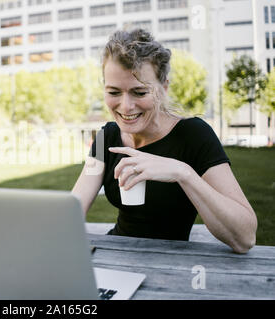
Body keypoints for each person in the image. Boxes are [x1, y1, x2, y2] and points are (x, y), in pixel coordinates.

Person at [71, 29, 257, 254]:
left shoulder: (194, 135)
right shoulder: (106, 137)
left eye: (140, 93)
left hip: (171, 264)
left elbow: (245, 238)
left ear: (164, 88)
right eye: (114, 92)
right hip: (118, 255)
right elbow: (73, 209)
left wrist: (183, 173)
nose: (126, 106)